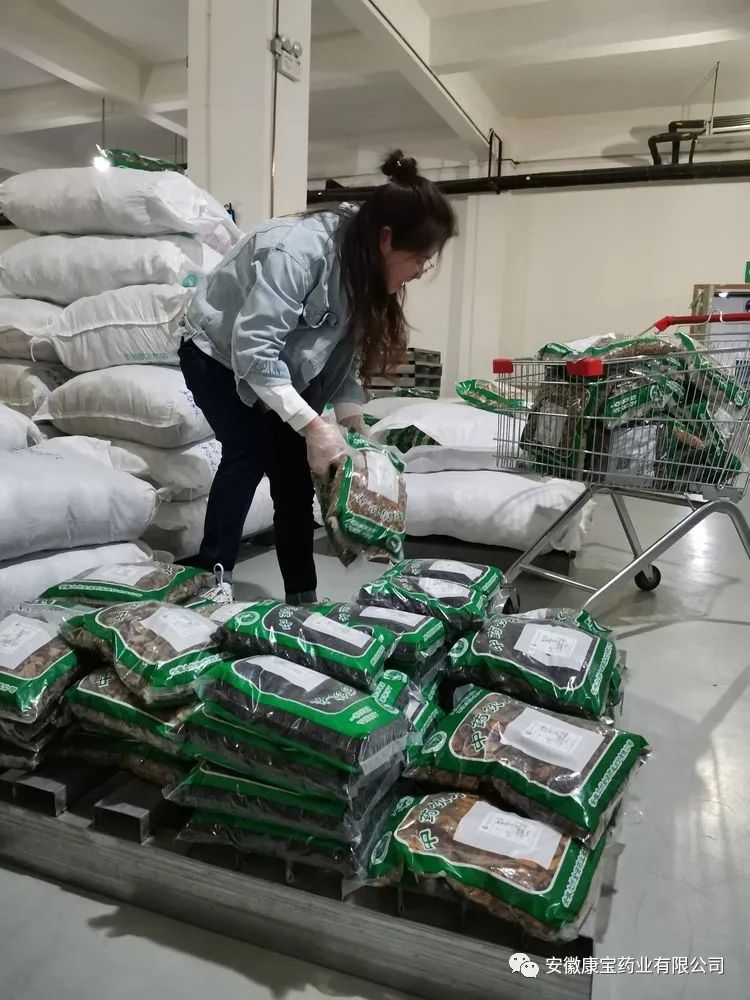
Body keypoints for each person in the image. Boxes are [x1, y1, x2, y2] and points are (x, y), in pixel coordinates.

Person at [179, 150, 457, 603]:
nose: (419, 272)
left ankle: (303, 597)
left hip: (278, 367)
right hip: (218, 354)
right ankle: (212, 581)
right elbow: (254, 350)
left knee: (294, 475)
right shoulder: (298, 252)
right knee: (248, 452)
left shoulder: (363, 268)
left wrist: (351, 423)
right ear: (387, 240)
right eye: (419, 259)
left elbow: (339, 356)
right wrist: (312, 426)